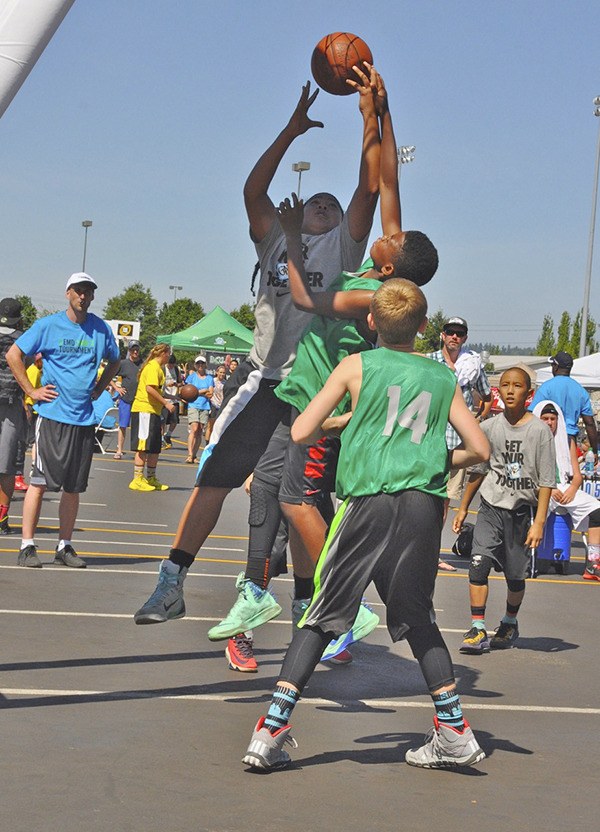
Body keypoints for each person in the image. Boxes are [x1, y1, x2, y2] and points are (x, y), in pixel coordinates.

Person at [210, 65, 439, 670]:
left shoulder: (374, 294)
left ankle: (348, 600)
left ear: (388, 265)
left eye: (390, 242)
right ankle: (303, 604)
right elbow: (386, 182)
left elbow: (311, 300)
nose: (387, 234)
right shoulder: (388, 269)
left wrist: (289, 234)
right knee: (276, 494)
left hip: (327, 404)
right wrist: (377, 113)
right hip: (301, 396)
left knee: (294, 500)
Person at [134, 74, 379, 625]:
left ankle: (322, 603)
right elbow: (251, 190)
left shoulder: (343, 246)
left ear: (343, 224)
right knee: (217, 476)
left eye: (330, 203)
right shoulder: (274, 236)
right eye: (314, 199)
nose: (322, 202)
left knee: (297, 504)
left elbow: (369, 189)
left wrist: (370, 119)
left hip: (313, 387)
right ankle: (173, 581)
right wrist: (290, 131)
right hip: (268, 378)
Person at [241, 278, 489, 771]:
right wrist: (436, 462)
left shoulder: (356, 365)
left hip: (369, 501)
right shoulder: (442, 378)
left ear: (371, 321)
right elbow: (479, 449)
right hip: (423, 505)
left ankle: (271, 728)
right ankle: (454, 731)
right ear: (423, 327)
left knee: (323, 613)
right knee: (419, 617)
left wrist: (339, 422)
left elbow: (300, 430)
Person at [6, 273, 120, 568]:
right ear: (68, 293)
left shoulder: (100, 329)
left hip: (83, 418)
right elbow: (14, 354)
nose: (84, 296)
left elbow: (115, 360)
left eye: (89, 292)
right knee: (39, 482)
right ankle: (27, 545)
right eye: (79, 291)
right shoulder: (48, 325)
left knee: (73, 487)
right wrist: (31, 390)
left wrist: (99, 387)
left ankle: (64, 545)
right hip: (53, 416)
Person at [453, 367, 556, 654]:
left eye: (517, 386)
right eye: (505, 385)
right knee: (478, 564)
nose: (510, 390)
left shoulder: (539, 431)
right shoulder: (489, 427)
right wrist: (463, 508)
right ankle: (477, 628)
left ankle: (509, 622)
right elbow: (478, 471)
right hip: (490, 508)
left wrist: (539, 523)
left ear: (529, 393)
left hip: (521, 512)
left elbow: (547, 482)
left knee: (515, 576)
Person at [428, 316, 492, 571]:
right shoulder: (429, 361)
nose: (455, 336)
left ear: (465, 337)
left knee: (444, 500)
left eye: (460, 333)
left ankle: (433, 552)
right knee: (422, 497)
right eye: (450, 332)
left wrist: (477, 420)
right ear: (442, 335)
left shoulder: (472, 364)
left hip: (456, 443)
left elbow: (486, 396)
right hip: (428, 438)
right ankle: (417, 549)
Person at [533, 400, 600, 582]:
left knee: (597, 510)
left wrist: (572, 489)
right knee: (530, 515)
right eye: (545, 418)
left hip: (563, 487)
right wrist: (548, 488)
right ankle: (526, 559)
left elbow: (577, 476)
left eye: (553, 419)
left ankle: (593, 564)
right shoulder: (531, 437)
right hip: (539, 488)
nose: (549, 422)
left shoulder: (567, 440)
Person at [530, 351, 598, 459]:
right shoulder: (580, 391)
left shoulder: (546, 388)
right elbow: (589, 423)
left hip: (549, 438)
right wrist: (594, 450)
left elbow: (531, 415)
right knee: (569, 473)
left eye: (552, 365)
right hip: (570, 440)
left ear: (556, 367)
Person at [128, 343, 175, 492]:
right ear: (163, 353)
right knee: (143, 446)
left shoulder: (159, 369)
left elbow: (156, 390)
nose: (169, 356)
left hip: (153, 412)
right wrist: (166, 403)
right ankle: (137, 479)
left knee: (154, 447)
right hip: (144, 410)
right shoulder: (152, 367)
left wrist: (175, 397)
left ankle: (151, 478)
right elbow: (149, 389)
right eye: (168, 353)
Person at [0, 298, 25, 535]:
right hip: (11, 404)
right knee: (6, 466)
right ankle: (1, 516)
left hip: (11, 403)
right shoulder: (23, 339)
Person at [112, 339, 142, 460]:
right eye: (133, 349)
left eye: (137, 349)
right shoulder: (123, 363)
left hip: (139, 400)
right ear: (129, 351)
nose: (135, 351)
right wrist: (116, 388)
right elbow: (109, 374)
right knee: (123, 425)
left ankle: (139, 451)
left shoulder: (143, 364)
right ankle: (119, 450)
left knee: (139, 427)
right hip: (126, 399)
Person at [184, 355, 214, 463]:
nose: (200, 365)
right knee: (194, 428)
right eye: (198, 363)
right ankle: (190, 454)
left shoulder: (210, 378)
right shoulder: (192, 377)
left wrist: (197, 392)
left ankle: (194, 455)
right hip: (193, 405)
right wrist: (203, 391)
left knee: (200, 431)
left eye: (202, 363)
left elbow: (210, 393)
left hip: (205, 406)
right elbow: (187, 391)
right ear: (195, 365)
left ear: (205, 365)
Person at [162, 353, 181, 448]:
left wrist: (176, 384)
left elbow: (180, 383)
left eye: (172, 364)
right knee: (163, 421)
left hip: (174, 398)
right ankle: (161, 438)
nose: (171, 366)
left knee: (174, 421)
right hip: (164, 398)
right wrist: (166, 385)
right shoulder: (162, 369)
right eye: (169, 364)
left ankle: (168, 435)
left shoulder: (176, 370)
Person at [205, 364, 226, 445]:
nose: (222, 374)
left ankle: (215, 443)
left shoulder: (226, 383)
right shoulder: (212, 381)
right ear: (217, 372)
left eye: (223, 373)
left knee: (219, 426)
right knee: (210, 425)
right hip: (213, 404)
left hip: (221, 406)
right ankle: (207, 443)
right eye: (220, 372)